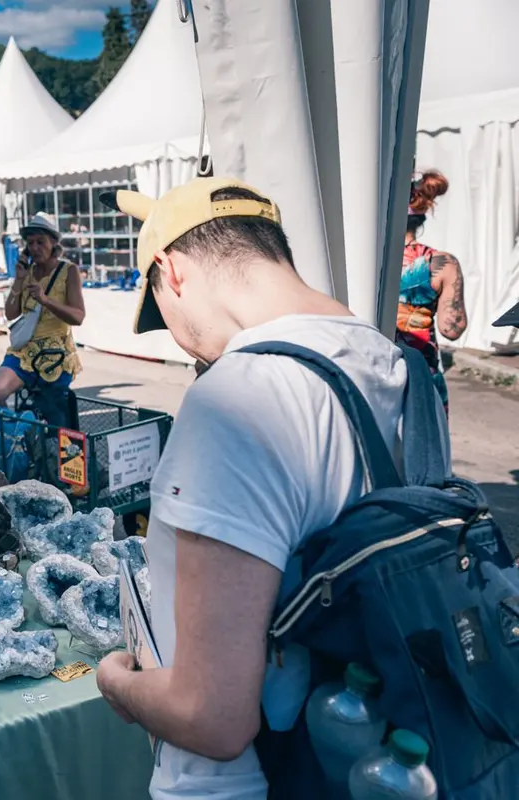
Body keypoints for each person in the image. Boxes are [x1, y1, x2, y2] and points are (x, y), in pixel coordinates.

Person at [91, 177, 449, 798]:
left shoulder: (238, 397)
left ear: (171, 272)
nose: (179, 341)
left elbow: (212, 717)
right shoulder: (405, 371)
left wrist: (116, 683)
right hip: (373, 756)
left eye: (161, 313)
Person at [0, 213, 85, 409]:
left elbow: (78, 317)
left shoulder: (68, 271)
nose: (35, 248)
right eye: (30, 243)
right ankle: (17, 434)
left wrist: (46, 300)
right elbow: (11, 314)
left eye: (41, 242)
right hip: (25, 352)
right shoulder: (28, 273)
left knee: (52, 416)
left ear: (53, 242)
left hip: (55, 356)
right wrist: (19, 279)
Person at [396, 169, 467, 412]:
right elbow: (452, 329)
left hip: (367, 369)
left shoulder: (366, 261)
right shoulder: (442, 264)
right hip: (420, 373)